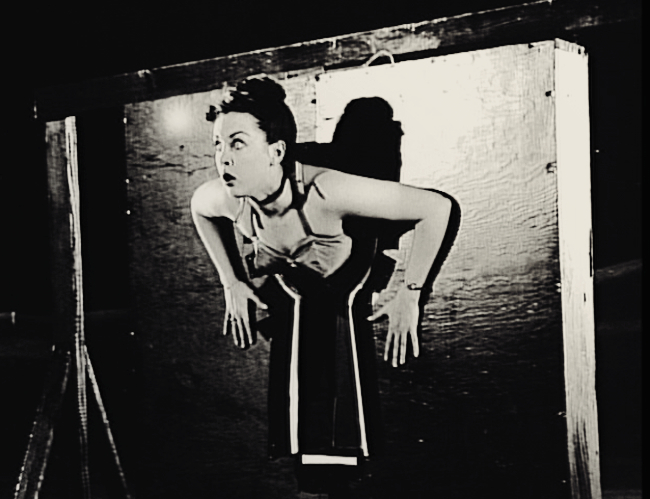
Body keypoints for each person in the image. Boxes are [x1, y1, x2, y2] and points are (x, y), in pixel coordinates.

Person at [191, 76, 452, 497]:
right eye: (218, 145)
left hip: (346, 286)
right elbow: (198, 209)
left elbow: (436, 208)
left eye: (237, 144)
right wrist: (231, 281)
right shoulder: (227, 198)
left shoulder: (328, 191)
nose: (223, 158)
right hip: (297, 307)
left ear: (276, 152)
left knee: (332, 455)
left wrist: (411, 291)